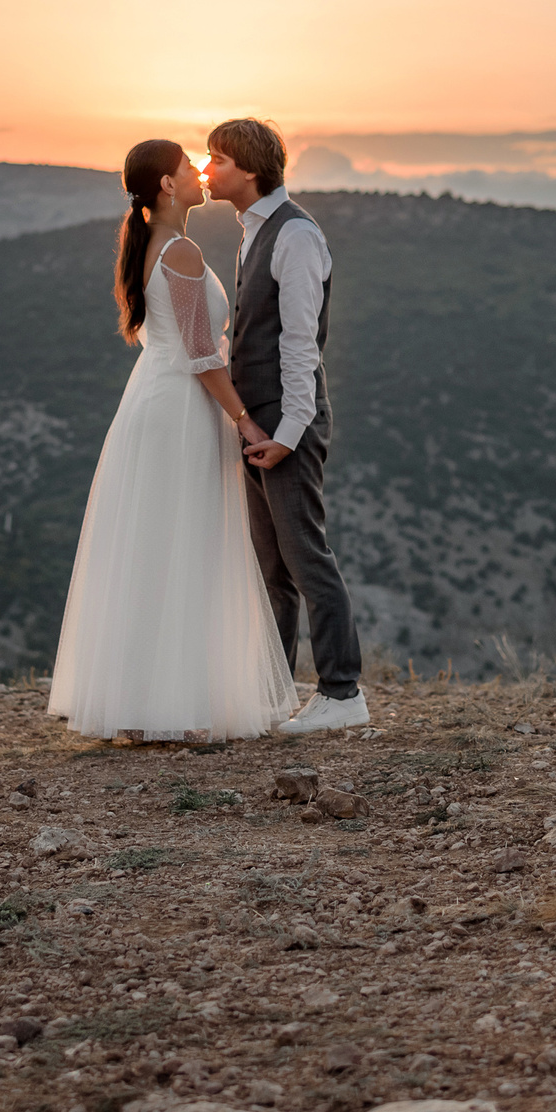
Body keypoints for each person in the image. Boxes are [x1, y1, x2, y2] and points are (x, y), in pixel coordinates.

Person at [47, 140, 297, 741]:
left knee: (155, 546)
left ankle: (141, 704)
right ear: (166, 184)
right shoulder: (179, 250)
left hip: (158, 400)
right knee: (183, 541)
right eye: (190, 165)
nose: (201, 172)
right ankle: (174, 708)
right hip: (181, 409)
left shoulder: (154, 245)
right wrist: (245, 419)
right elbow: (200, 352)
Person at [203, 118, 367, 734]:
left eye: (215, 159)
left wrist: (289, 432)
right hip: (261, 424)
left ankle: (342, 692)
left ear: (247, 168)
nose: (206, 170)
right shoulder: (253, 232)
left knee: (305, 558)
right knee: (272, 568)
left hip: (285, 422)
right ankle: (275, 696)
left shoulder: (294, 235)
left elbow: (302, 343)